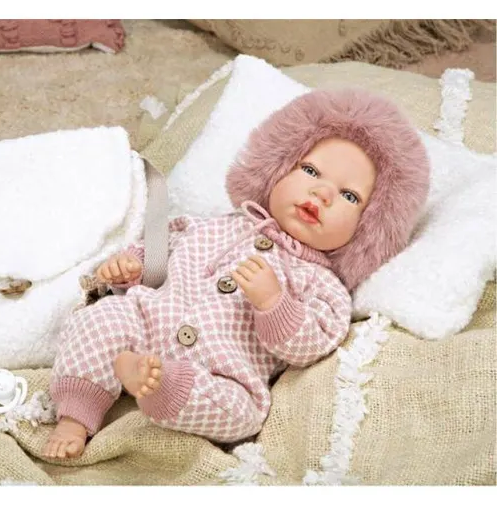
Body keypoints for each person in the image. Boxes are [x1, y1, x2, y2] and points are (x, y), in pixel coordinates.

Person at [42, 88, 430, 459]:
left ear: (368, 227)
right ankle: (76, 416)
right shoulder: (220, 225)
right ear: (276, 169)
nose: (323, 193)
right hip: (146, 321)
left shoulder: (323, 285)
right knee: (101, 320)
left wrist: (274, 303)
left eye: (349, 196)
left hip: (222, 368)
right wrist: (132, 266)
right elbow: (164, 248)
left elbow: (312, 343)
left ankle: (164, 387)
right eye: (311, 170)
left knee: (242, 414)